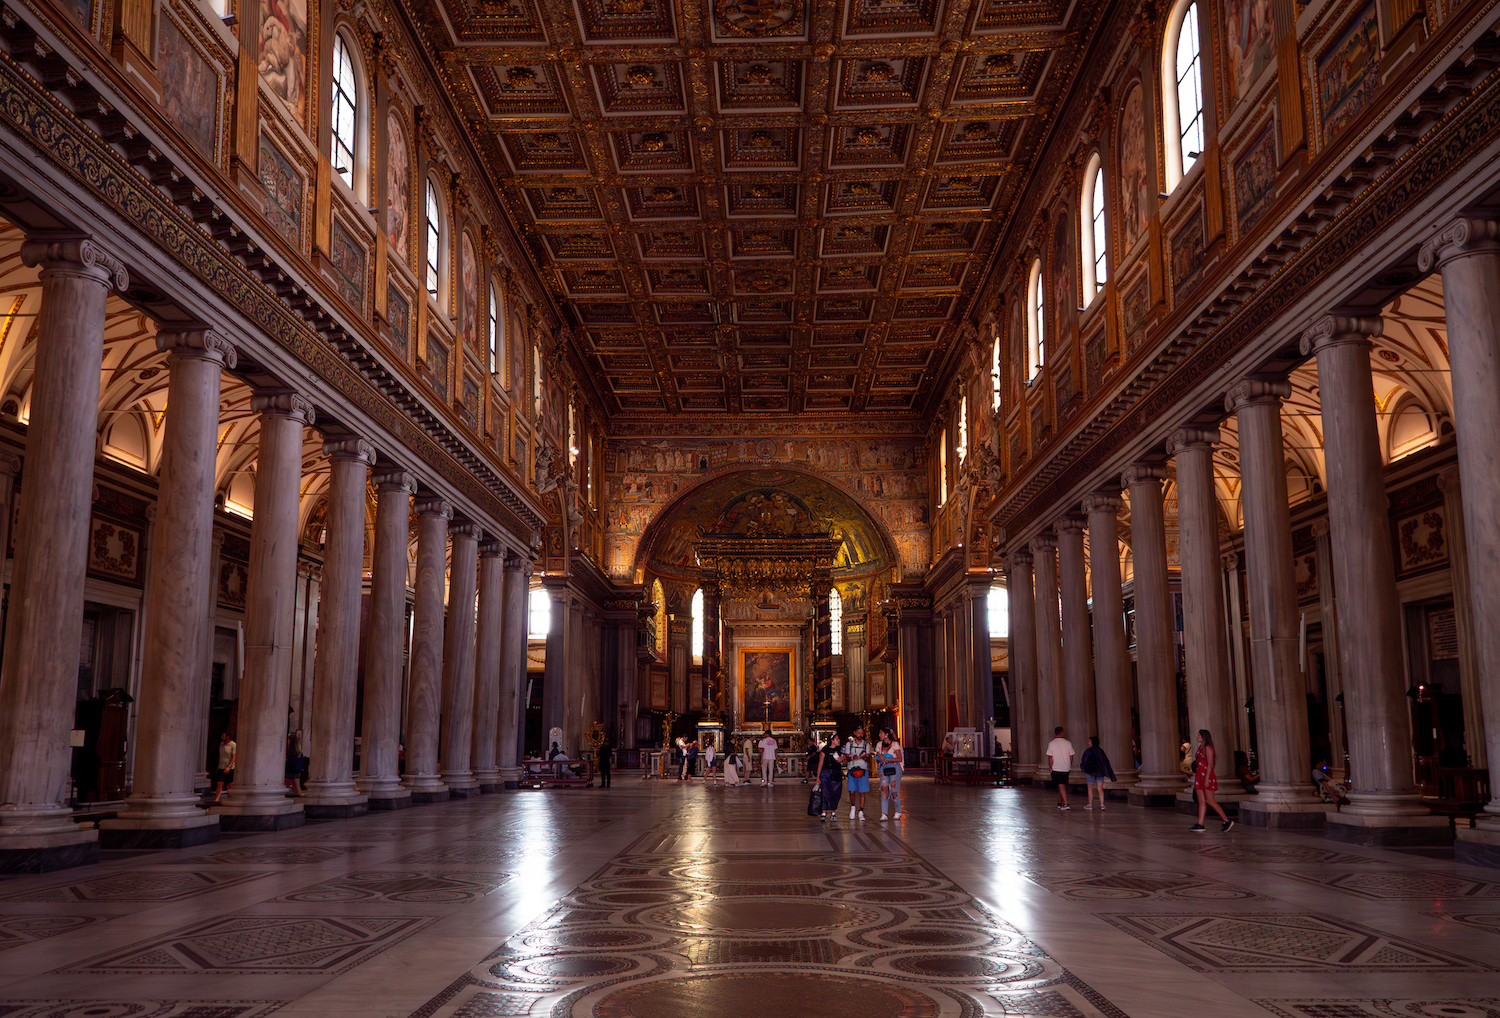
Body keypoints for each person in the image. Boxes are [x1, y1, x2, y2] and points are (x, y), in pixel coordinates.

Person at [1191, 729, 1234, 832]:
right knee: (1201, 800)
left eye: (1199, 735)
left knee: (1210, 800)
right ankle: (1200, 824)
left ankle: (1226, 820)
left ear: (1203, 737)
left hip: (1206, 776)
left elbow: (1210, 764)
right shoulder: (1200, 748)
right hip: (1199, 775)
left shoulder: (1208, 747)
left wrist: (1206, 779)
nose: (1197, 737)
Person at [842, 725, 872, 820]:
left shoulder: (866, 744)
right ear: (854, 733)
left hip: (863, 769)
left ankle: (861, 811)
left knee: (862, 792)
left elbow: (868, 759)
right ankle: (853, 807)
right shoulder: (849, 745)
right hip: (852, 768)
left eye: (862, 733)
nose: (860, 734)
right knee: (852, 791)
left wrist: (865, 756)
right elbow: (846, 757)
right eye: (858, 732)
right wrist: (852, 757)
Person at [1079, 736, 1115, 811]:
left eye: (1089, 741)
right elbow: (1105, 762)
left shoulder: (1088, 751)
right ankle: (1102, 804)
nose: (1088, 743)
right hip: (1100, 772)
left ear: (1092, 742)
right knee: (1100, 788)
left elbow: (1084, 761)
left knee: (1090, 788)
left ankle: (1090, 804)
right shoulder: (1100, 751)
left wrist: (1085, 768)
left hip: (1090, 772)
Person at [875, 727, 904, 820]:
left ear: (886, 734)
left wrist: (887, 759)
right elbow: (878, 756)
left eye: (881, 733)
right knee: (884, 789)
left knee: (894, 789)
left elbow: (899, 758)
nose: (879, 735)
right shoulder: (879, 745)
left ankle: (898, 811)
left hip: (894, 767)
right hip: (884, 767)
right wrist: (879, 758)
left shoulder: (895, 744)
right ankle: (884, 813)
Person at [816, 733, 843, 821]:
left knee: (835, 793)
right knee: (825, 792)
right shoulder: (825, 750)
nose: (838, 740)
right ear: (832, 740)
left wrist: (842, 759)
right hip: (825, 772)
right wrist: (818, 777)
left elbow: (845, 761)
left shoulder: (840, 750)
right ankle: (823, 812)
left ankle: (833, 812)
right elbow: (820, 763)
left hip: (836, 773)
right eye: (837, 739)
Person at [1046, 726, 1074, 810]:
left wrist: (1050, 766)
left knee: (1061, 786)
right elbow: (1071, 755)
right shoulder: (1068, 743)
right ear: (1062, 732)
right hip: (1066, 767)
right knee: (1062, 785)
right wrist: (1069, 764)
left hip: (1056, 767)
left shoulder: (1051, 743)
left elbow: (1050, 757)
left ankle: (1066, 803)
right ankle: (1060, 802)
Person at [212, 731, 236, 803]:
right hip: (221, 766)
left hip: (229, 767)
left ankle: (232, 798)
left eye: (223, 736)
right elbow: (221, 756)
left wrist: (229, 766)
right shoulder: (221, 744)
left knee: (229, 784)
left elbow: (234, 757)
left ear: (228, 737)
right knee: (219, 783)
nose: (222, 737)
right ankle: (216, 799)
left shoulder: (233, 745)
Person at [284, 733, 305, 797]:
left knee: (285, 787)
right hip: (296, 771)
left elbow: (289, 761)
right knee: (297, 789)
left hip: (289, 771)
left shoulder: (291, 751)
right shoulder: (299, 752)